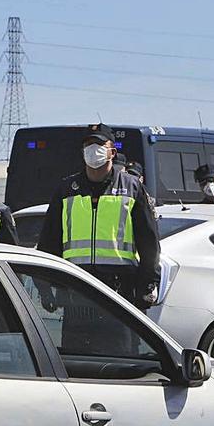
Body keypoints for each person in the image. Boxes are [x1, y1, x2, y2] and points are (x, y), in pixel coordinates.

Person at [36, 123, 159, 309]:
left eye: (100, 145)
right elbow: (48, 241)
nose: (93, 150)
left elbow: (149, 243)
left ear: (112, 152)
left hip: (119, 290)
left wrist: (147, 285)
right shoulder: (67, 190)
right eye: (88, 145)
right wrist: (45, 288)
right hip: (76, 289)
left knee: (118, 339)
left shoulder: (132, 188)